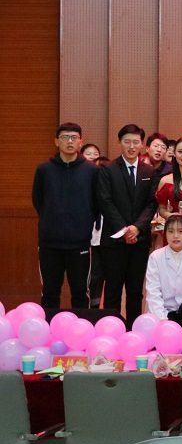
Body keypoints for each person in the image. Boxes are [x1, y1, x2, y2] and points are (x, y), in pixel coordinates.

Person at [94, 123, 160, 321]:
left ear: (142, 144)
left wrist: (137, 228)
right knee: (113, 290)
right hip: (114, 240)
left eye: (135, 142)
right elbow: (105, 202)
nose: (131, 146)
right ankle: (112, 329)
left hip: (140, 240)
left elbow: (152, 203)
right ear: (119, 142)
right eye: (127, 142)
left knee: (135, 291)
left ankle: (134, 329)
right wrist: (125, 230)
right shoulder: (107, 169)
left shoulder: (150, 171)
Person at [33, 122, 98, 313]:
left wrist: (84, 223)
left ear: (80, 142)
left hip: (80, 243)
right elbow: (38, 201)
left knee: (80, 293)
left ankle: (82, 329)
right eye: (65, 137)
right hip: (49, 244)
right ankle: (48, 328)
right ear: (56, 141)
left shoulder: (91, 170)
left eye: (74, 137)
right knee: (50, 293)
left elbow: (96, 203)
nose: (69, 141)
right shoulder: (44, 169)